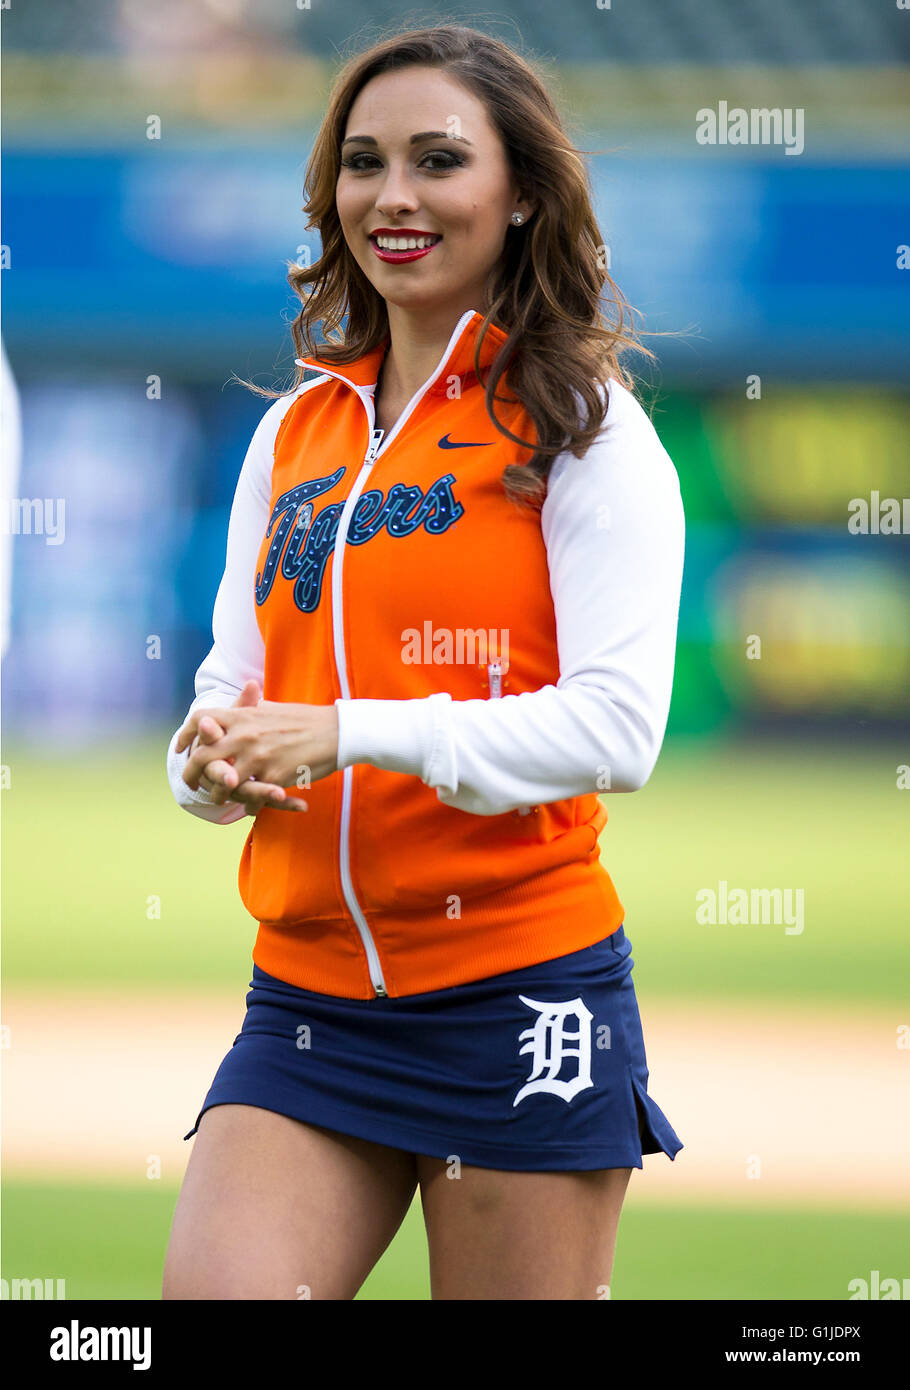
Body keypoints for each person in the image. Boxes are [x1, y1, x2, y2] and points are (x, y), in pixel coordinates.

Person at [162, 23, 685, 1302]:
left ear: (519, 199)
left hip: (518, 992)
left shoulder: (584, 427)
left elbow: (617, 731)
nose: (392, 197)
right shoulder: (294, 430)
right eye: (362, 163)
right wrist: (208, 764)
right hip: (307, 1002)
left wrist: (351, 729)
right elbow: (230, 691)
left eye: (438, 160)